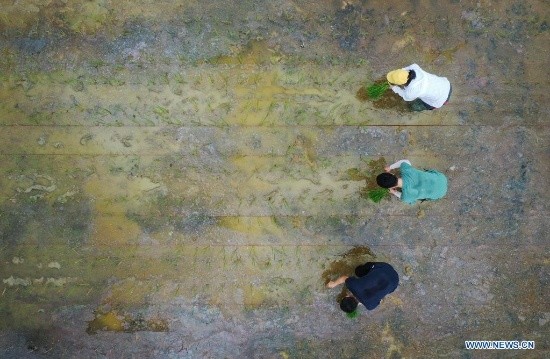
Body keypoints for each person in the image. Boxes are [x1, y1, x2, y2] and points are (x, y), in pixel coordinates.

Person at [326, 262, 399, 316]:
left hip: (395, 281)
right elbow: (344, 278)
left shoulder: (370, 306)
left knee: (386, 290)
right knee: (358, 271)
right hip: (385, 267)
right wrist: (334, 283)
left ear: (357, 306)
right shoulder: (353, 286)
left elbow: (380, 300)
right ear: (346, 296)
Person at [376, 159, 448, 204]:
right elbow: (404, 161)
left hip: (440, 193)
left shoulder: (406, 196)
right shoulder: (406, 171)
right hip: (441, 178)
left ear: (391, 187)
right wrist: (390, 167)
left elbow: (401, 196)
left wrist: (394, 192)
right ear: (392, 174)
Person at [387, 64, 451, 111]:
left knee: (413, 107)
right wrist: (400, 74)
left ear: (403, 83)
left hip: (439, 100)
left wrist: (394, 87)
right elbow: (405, 69)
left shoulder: (411, 92)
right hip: (446, 85)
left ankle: (444, 102)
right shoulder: (415, 68)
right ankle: (445, 100)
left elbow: (405, 96)